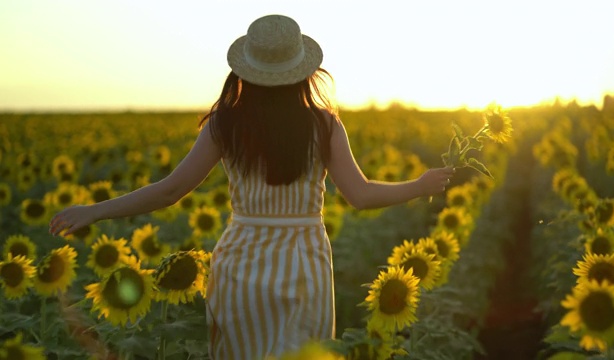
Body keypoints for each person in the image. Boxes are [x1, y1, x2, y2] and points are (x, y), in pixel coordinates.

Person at [49, 14, 455, 360]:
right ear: (303, 71)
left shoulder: (225, 124)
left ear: (246, 69)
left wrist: (94, 210)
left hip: (241, 262)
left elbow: (170, 191)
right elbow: (361, 195)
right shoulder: (324, 125)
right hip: (303, 263)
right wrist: (418, 186)